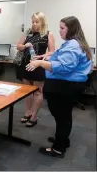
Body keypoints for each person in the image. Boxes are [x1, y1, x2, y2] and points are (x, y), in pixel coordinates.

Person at [26, 16, 92, 158]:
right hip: (68, 85)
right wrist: (45, 57)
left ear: (71, 29)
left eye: (62, 28)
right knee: (64, 116)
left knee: (61, 116)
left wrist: (40, 63)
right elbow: (59, 56)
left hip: (65, 86)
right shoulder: (73, 43)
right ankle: (62, 140)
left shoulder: (73, 45)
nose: (59, 30)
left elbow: (64, 67)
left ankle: (58, 149)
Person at [16, 12, 55, 127]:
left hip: (39, 65)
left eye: (37, 22)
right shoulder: (28, 33)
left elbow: (52, 51)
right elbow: (18, 46)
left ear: (42, 22)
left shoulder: (48, 34)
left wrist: (42, 57)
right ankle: (28, 112)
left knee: (38, 91)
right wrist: (25, 46)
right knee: (27, 90)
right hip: (26, 65)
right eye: (33, 22)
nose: (34, 24)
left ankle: (34, 116)